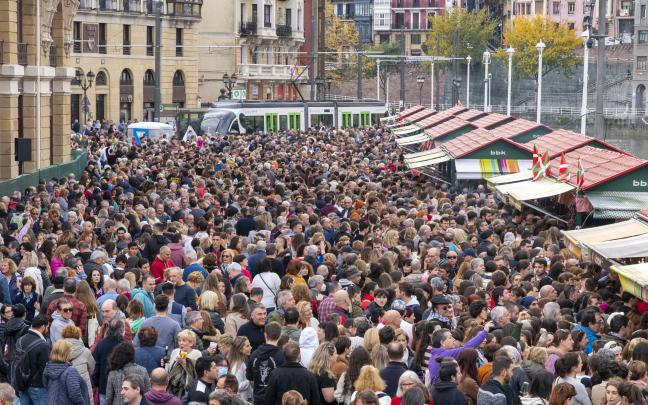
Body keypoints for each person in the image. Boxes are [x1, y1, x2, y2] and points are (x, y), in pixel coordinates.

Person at [264, 341, 321, 405]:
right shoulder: (309, 375)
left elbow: (268, 399)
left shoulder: (275, 374)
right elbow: (316, 400)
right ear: (299, 355)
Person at [15, 314, 50, 405]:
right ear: (43, 326)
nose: (48, 329)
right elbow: (45, 369)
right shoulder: (43, 345)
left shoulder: (20, 340)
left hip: (21, 384)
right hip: (38, 386)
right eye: (47, 327)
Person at [247, 321, 285, 404]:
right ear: (280, 336)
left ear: (265, 334)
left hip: (258, 398)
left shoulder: (254, 355)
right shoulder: (282, 356)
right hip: (275, 399)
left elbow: (250, 379)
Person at [42, 340, 91, 405]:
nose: (72, 352)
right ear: (65, 353)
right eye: (70, 350)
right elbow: (75, 394)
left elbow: (46, 385)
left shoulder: (47, 367)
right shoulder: (70, 371)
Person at [92, 319, 125, 405]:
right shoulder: (126, 345)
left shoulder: (100, 345)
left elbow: (96, 366)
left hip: (104, 386)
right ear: (121, 330)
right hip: (122, 388)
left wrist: (95, 383)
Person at [62, 325, 95, 395]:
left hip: (64, 389)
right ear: (78, 336)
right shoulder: (86, 351)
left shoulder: (58, 351)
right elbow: (93, 370)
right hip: (84, 389)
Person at [227, 336, 253, 401]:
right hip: (241, 399)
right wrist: (250, 380)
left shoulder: (243, 361)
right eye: (247, 346)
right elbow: (237, 386)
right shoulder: (238, 365)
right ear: (240, 349)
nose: (251, 347)